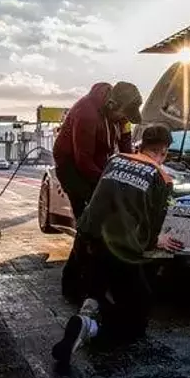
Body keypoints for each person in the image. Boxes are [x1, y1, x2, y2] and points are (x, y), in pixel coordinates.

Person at [51, 124, 183, 363]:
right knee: (137, 318)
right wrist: (158, 240)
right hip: (122, 249)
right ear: (163, 152)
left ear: (140, 145)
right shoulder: (162, 178)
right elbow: (153, 226)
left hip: (88, 240)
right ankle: (92, 329)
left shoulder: (115, 160)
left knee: (99, 280)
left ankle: (88, 310)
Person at [53, 81, 143, 299]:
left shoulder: (120, 115)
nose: (124, 120)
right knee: (88, 226)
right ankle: (74, 286)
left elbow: (126, 148)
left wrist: (130, 170)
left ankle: (94, 280)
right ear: (112, 105)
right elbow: (83, 161)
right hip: (73, 169)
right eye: (123, 116)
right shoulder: (87, 114)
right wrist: (109, 185)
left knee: (104, 223)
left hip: (97, 164)